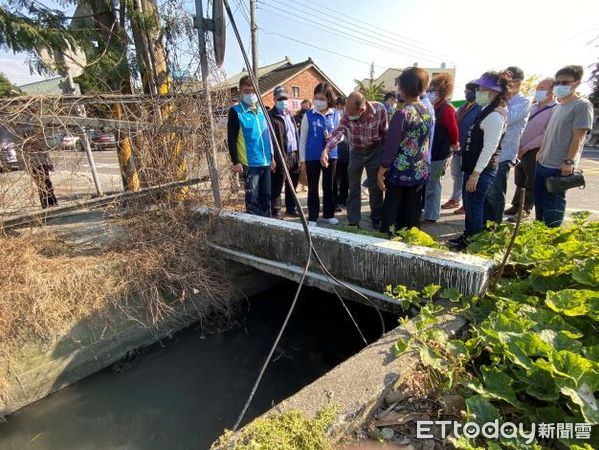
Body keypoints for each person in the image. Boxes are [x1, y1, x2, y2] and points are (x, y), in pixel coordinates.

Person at [449, 71, 509, 249]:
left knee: (475, 206)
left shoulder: (495, 116)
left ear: (495, 92)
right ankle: (468, 236)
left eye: (483, 89)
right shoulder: (486, 109)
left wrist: (475, 175)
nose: (478, 92)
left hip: (481, 171)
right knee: (470, 205)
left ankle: (473, 242)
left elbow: (489, 148)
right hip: (472, 166)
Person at [534, 65, 594, 227]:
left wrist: (569, 161)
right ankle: (539, 236)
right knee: (539, 203)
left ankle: (550, 240)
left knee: (553, 206)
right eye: (558, 83)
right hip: (543, 162)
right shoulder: (559, 105)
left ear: (576, 83)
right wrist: (541, 150)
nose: (560, 86)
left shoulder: (582, 105)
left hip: (558, 166)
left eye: (565, 82)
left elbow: (578, 137)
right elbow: (550, 132)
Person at [377, 67, 434, 234]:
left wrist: (381, 171)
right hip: (418, 170)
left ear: (404, 87)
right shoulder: (427, 112)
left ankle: (387, 244)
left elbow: (391, 147)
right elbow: (427, 142)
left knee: (392, 212)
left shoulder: (402, 114)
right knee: (412, 211)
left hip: (399, 172)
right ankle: (411, 244)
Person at [323, 91, 388, 229]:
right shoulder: (347, 113)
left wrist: (386, 160)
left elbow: (385, 134)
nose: (347, 114)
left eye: (351, 112)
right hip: (356, 152)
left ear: (362, 109)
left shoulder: (380, 109)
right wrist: (327, 149)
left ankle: (377, 217)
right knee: (353, 187)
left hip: (375, 150)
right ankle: (353, 221)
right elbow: (339, 131)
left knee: (375, 187)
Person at [504, 78, 557, 220]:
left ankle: (525, 209)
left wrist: (527, 147)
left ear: (552, 91)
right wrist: (520, 146)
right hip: (521, 149)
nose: (538, 91)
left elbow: (546, 134)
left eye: (542, 88)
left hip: (535, 150)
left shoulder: (554, 109)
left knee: (531, 181)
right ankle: (516, 205)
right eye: (538, 88)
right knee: (520, 179)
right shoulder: (533, 107)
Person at [484, 66, 531, 225]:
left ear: (517, 82)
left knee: (496, 192)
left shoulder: (522, 102)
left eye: (510, 81)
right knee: (487, 191)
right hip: (490, 151)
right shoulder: (500, 99)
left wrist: (501, 100)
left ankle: (493, 227)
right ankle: (485, 223)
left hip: (504, 154)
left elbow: (506, 118)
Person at [227, 75, 275, 217]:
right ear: (241, 91)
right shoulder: (236, 111)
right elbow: (231, 138)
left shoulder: (262, 111)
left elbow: (268, 137)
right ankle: (253, 231)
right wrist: (235, 161)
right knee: (252, 200)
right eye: (246, 91)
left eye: (252, 91)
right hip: (249, 163)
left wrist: (272, 158)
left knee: (266, 198)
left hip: (265, 161)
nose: (250, 94)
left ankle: (268, 225)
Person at [299, 82, 341, 226]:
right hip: (312, 156)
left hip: (331, 155)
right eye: (316, 97)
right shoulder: (308, 115)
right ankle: (312, 217)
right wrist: (303, 160)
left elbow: (342, 135)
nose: (318, 101)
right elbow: (303, 138)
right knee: (312, 187)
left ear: (329, 99)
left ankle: (329, 214)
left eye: (322, 98)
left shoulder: (336, 114)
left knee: (329, 186)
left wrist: (333, 138)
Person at [423, 73, 459, 222]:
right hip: (430, 152)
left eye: (434, 90)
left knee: (434, 184)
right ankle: (428, 210)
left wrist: (455, 144)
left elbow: (453, 130)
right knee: (428, 184)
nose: (430, 92)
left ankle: (432, 215)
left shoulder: (446, 108)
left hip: (440, 153)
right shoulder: (432, 106)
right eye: (430, 89)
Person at [442, 81, 481, 214]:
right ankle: (455, 199)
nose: (465, 93)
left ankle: (466, 203)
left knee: (466, 176)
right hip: (457, 147)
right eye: (465, 91)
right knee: (456, 175)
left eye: (468, 91)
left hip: (469, 148)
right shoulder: (463, 107)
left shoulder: (480, 108)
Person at [269, 86, 301, 219]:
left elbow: (294, 135)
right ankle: (276, 212)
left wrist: (299, 155)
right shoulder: (271, 116)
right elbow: (269, 139)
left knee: (292, 184)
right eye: (280, 98)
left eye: (285, 98)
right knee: (277, 186)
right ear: (275, 99)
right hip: (281, 156)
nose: (283, 101)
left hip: (294, 154)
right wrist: (272, 157)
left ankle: (290, 208)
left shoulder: (290, 115)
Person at [20, 127, 58, 209]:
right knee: (41, 185)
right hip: (34, 166)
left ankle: (52, 201)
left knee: (47, 183)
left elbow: (46, 153)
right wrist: (27, 167)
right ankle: (45, 203)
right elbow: (24, 158)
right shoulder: (26, 148)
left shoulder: (40, 144)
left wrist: (50, 164)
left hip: (42, 165)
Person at [334, 95, 350, 210]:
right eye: (343, 105)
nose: (344, 108)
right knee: (336, 179)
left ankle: (344, 200)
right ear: (338, 104)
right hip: (337, 151)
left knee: (346, 178)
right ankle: (336, 202)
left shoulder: (349, 115)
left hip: (348, 151)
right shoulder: (335, 115)